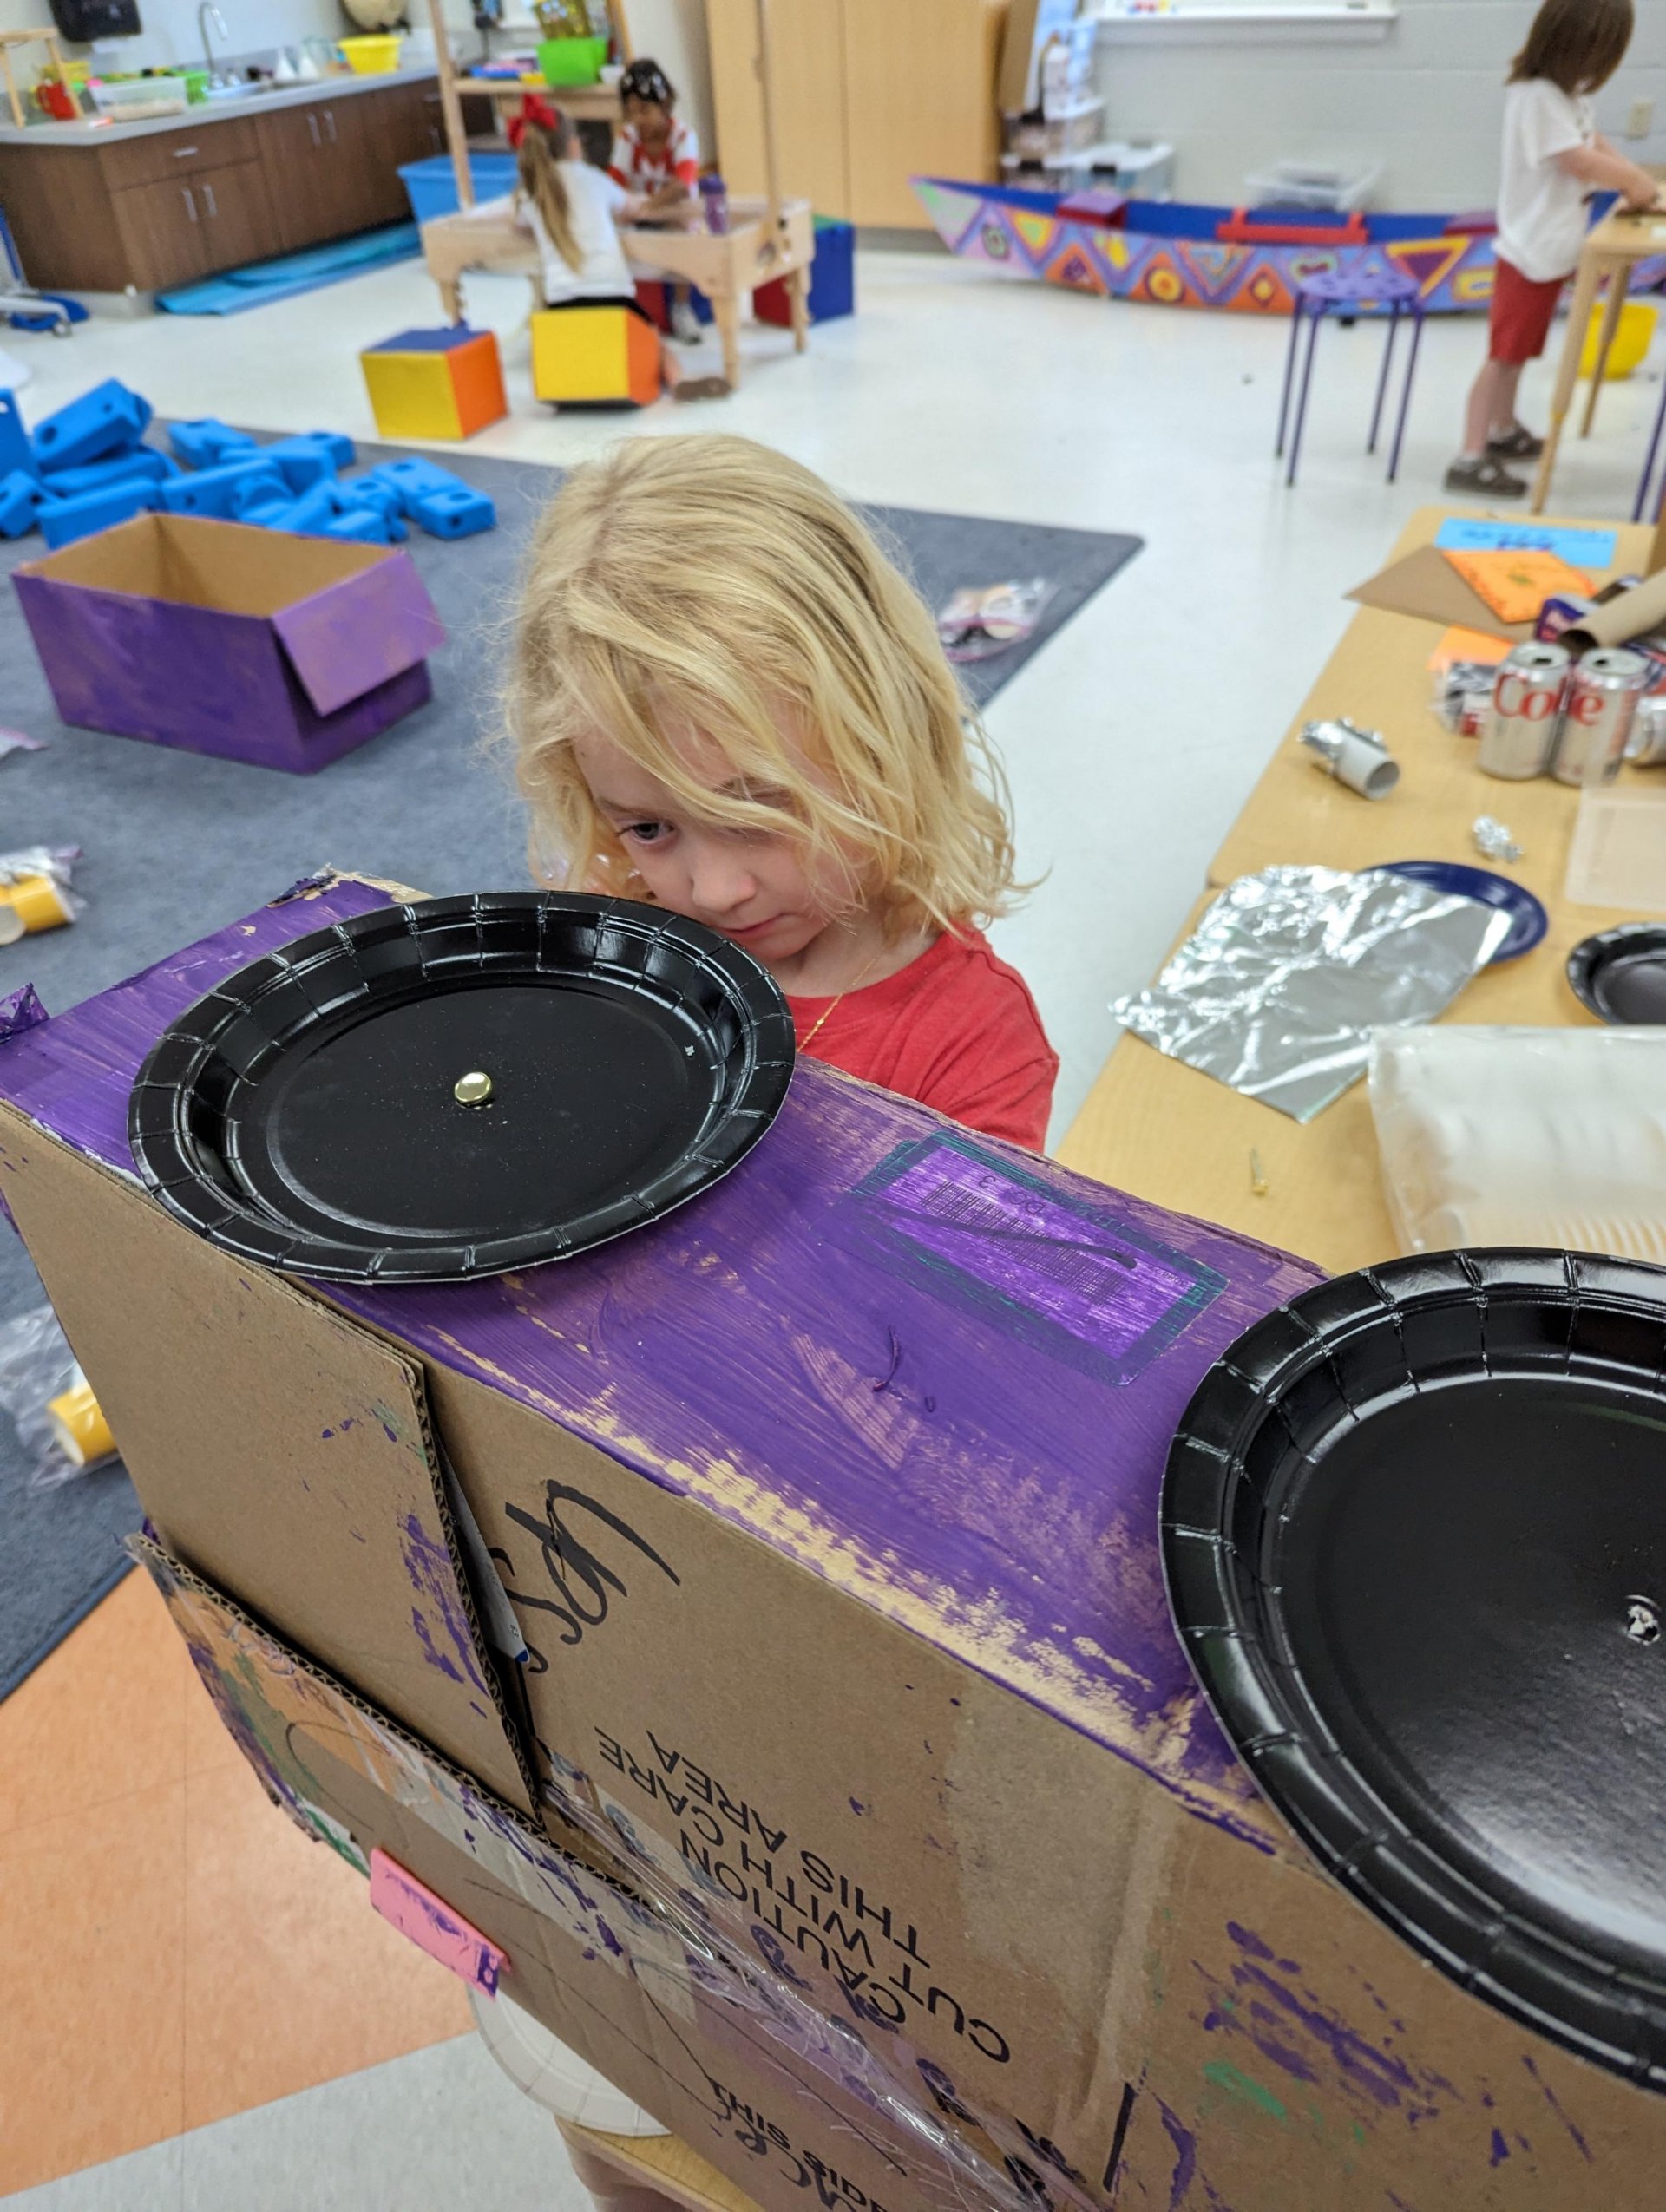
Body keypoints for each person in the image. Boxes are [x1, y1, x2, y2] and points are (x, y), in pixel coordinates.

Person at [507, 435, 1059, 1151]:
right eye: (648, 829)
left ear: (883, 744)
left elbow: (963, 1263)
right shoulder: (619, 932)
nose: (713, 892)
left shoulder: (974, 1048)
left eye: (756, 811)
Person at [1447, 0, 1658, 499]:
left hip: (1547, 250)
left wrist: (1635, 176)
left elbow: (1593, 141)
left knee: (1518, 354)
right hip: (1529, 251)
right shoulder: (1536, 95)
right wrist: (1631, 180)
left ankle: (1502, 430)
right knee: (1503, 357)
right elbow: (1575, 159)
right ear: (1577, 45)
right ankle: (1470, 455)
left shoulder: (1567, 95)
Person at [514, 115, 728, 402]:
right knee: (659, 344)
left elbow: (519, 223)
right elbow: (632, 208)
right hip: (612, 296)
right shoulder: (593, 179)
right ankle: (678, 380)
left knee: (581, 339)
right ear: (574, 145)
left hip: (561, 303)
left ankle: (574, 378)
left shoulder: (533, 192)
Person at [607, 57, 705, 342]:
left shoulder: (683, 135)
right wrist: (626, 208)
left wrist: (649, 207)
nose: (638, 119)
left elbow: (683, 184)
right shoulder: (628, 137)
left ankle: (682, 307)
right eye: (632, 111)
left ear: (664, 105)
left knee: (684, 238)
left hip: (674, 212)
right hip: (640, 212)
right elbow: (613, 180)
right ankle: (628, 305)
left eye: (645, 110)